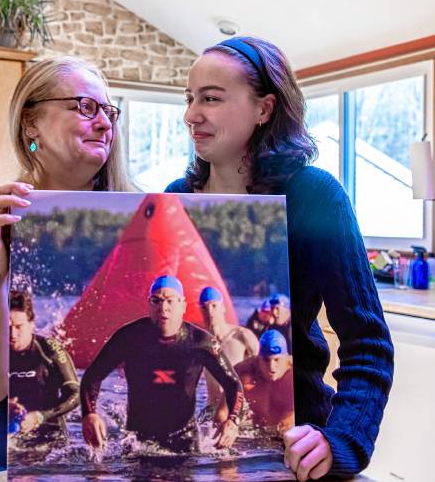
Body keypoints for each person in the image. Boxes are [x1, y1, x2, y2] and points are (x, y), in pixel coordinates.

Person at [165, 36, 393, 481]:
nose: (192, 114)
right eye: (190, 99)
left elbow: (368, 344)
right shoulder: (176, 199)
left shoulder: (313, 195)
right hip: (191, 447)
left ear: (264, 109)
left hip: (295, 453)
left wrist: (342, 438)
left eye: (211, 98)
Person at [0, 56, 134, 478]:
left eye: (108, 112)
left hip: (116, 465)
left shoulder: (135, 220)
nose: (104, 124)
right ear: (30, 123)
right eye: (85, 107)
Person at [80, 275, 244, 454]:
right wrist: (89, 414)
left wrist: (233, 420)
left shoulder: (201, 343)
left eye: (170, 301)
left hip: (184, 440)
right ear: (149, 305)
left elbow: (233, 384)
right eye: (156, 301)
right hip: (138, 442)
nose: (163, 308)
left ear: (183, 305)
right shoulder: (129, 337)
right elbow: (91, 376)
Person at [8, 290, 79, 447]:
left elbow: (75, 394)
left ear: (32, 324)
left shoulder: (49, 349)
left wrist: (39, 416)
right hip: (11, 435)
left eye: (19, 326)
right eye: (7, 327)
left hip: (49, 435)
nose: (12, 334)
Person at [198, 286, 258, 422]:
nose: (210, 311)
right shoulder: (199, 340)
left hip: (238, 411)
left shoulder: (243, 336)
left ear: (223, 307)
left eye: (214, 305)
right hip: (211, 412)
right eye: (204, 307)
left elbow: (261, 374)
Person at [233, 329, 294, 433]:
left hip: (288, 435)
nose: (271, 367)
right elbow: (223, 412)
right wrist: (231, 425)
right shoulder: (242, 370)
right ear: (258, 358)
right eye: (266, 360)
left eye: (277, 360)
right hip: (256, 437)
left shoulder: (299, 371)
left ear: (285, 357)